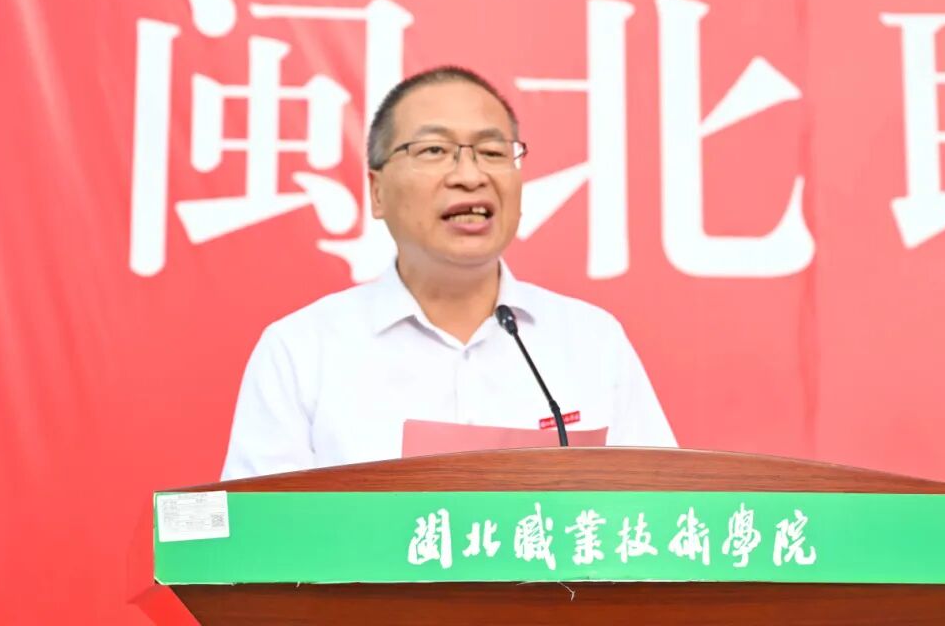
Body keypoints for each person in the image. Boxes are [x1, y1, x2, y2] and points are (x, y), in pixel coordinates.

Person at [221, 66, 676, 479]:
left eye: (493, 152)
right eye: (434, 150)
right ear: (377, 192)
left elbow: (660, 509)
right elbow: (254, 531)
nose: (470, 175)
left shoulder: (592, 340)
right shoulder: (302, 349)